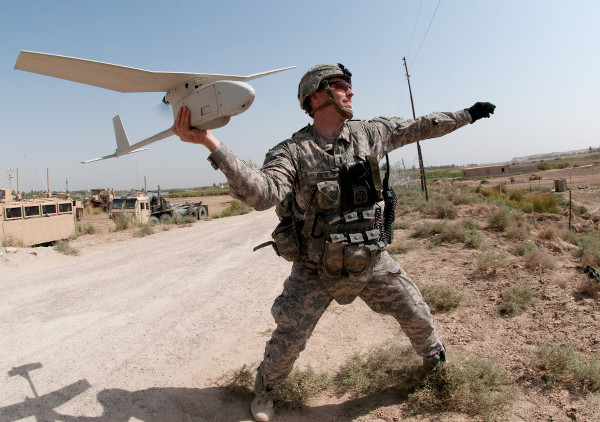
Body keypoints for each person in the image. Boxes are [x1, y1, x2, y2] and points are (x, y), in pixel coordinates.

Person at [173, 63, 495, 422]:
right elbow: (263, 193)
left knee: (416, 312)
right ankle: (265, 391)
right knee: (288, 338)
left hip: (371, 259)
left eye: (349, 86)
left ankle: (436, 366)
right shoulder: (292, 152)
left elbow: (421, 126)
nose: (351, 92)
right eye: (341, 86)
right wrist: (209, 142)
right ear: (316, 95)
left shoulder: (372, 134)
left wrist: (467, 114)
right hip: (315, 268)